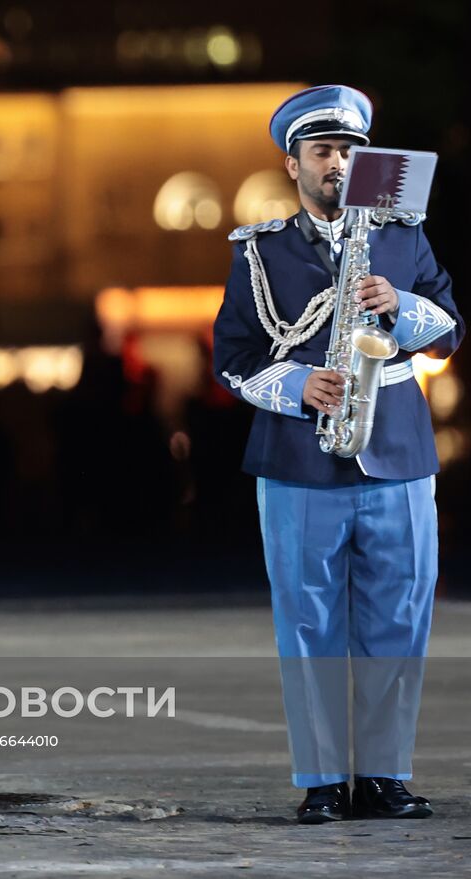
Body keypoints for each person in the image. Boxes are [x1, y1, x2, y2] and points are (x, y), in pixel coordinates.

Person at [212, 84, 462, 824]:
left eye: (351, 151)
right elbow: (232, 356)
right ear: (293, 164)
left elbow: (450, 331)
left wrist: (402, 306)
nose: (339, 164)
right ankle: (323, 778)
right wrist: (298, 385)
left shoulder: (403, 237)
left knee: (399, 617)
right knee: (309, 620)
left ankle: (384, 773)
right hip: (299, 453)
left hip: (398, 450)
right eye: (323, 151)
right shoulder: (261, 250)